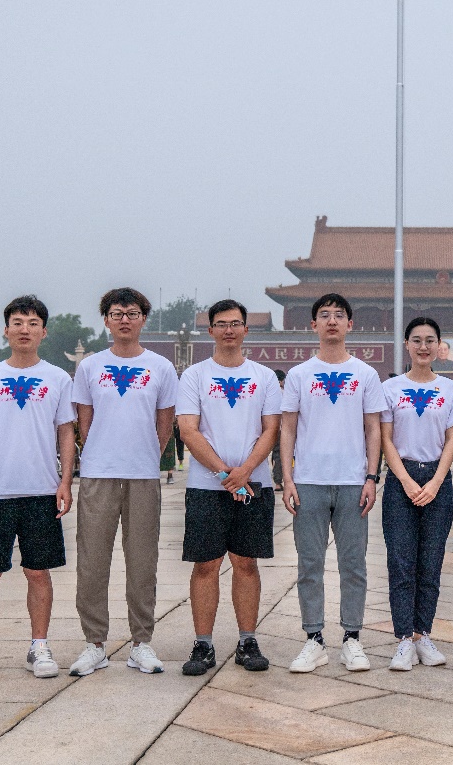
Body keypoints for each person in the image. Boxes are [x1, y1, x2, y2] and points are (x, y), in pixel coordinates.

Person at [0, 296, 76, 681]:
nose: (25, 329)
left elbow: (66, 432)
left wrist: (65, 481)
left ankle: (39, 646)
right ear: (6, 330)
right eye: (18, 322)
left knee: (38, 572)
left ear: (44, 332)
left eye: (33, 323)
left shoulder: (58, 378)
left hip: (41, 491)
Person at [68, 288, 179, 678]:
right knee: (92, 561)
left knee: (142, 560)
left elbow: (164, 424)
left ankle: (141, 642)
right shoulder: (90, 367)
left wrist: (146, 454)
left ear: (143, 319)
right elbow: (84, 422)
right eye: (117, 313)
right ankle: (94, 643)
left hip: (143, 475)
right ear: (106, 320)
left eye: (132, 313)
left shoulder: (160, 367)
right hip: (98, 473)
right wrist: (101, 451)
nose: (125, 320)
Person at [176, 299, 281, 677]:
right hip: (206, 487)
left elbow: (271, 429)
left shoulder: (264, 377)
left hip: (255, 484)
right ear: (210, 331)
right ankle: (203, 643)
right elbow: (188, 430)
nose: (229, 330)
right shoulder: (195, 376)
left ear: (246, 330)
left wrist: (246, 472)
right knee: (206, 564)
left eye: (235, 323)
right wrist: (225, 475)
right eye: (221, 324)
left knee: (246, 563)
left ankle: (247, 640)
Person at [281, 294, 384, 674]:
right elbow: (287, 428)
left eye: (339, 315)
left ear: (350, 324)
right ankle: (314, 639)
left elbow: (373, 429)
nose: (332, 321)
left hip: (353, 482)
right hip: (309, 481)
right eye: (324, 315)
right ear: (313, 325)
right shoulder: (299, 375)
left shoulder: (365, 374)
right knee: (310, 564)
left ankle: (352, 638)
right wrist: (287, 478)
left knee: (353, 564)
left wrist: (371, 477)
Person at [380, 316, 453, 671]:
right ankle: (403, 639)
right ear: (406, 345)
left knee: (431, 562)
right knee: (401, 562)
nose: (423, 346)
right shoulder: (391, 388)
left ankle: (422, 634)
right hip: (402, 480)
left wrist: (437, 481)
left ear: (440, 347)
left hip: (437, 481)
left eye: (430, 340)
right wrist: (406, 480)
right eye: (417, 340)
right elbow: (386, 438)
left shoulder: (450, 389)